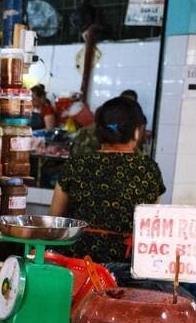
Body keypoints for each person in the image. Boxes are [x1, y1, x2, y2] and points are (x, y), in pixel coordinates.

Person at [50, 96, 165, 264]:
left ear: (98, 130)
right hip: (127, 268)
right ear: (136, 131)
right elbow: (152, 225)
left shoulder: (77, 165)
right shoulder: (149, 170)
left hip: (78, 265)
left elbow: (54, 221)